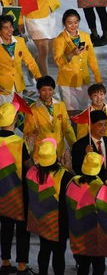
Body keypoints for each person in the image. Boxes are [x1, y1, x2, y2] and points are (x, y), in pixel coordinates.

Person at [26, 138, 73, 275]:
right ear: (56, 156)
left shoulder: (31, 173)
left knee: (44, 251)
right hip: (58, 224)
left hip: (40, 221)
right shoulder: (64, 176)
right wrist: (68, 167)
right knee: (59, 255)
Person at [0, 102, 33, 275]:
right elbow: (29, 167)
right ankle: (21, 265)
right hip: (18, 195)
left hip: (1, 197)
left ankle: (5, 262)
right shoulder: (19, 143)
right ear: (14, 119)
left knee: (5, 229)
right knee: (21, 231)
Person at [53, 9, 102, 116]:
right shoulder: (60, 39)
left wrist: (98, 78)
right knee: (72, 114)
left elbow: (92, 58)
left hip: (84, 81)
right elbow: (58, 61)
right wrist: (70, 54)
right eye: (69, 23)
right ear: (64, 23)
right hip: (67, 83)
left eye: (76, 22)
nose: (73, 25)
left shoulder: (85, 36)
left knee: (84, 113)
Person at [66, 152, 105, 275]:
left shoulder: (73, 181)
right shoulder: (100, 188)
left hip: (76, 235)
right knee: (98, 268)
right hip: (94, 238)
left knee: (82, 267)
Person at [24, 75, 76, 161]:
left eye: (50, 90)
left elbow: (67, 128)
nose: (47, 93)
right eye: (44, 90)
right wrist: (31, 135)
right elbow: (27, 133)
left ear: (53, 90)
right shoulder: (32, 110)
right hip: (42, 153)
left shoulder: (61, 105)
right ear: (38, 91)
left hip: (59, 151)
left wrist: (74, 145)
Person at [0, 14, 41, 104]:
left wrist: (38, 77)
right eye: (5, 28)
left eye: (10, 26)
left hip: (19, 87)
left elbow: (30, 62)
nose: (10, 30)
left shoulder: (20, 42)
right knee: (5, 116)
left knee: (18, 114)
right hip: (3, 89)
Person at [71, 110, 107, 180]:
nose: (104, 128)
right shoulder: (79, 145)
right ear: (90, 125)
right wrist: (86, 156)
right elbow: (77, 171)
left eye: (105, 124)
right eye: (100, 125)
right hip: (91, 186)